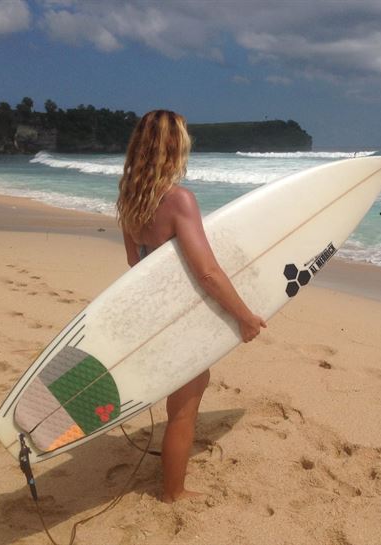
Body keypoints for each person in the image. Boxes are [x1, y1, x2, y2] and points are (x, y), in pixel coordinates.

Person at [116, 110, 266, 503]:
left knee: (193, 387)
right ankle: (173, 492)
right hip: (179, 317)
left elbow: (137, 263)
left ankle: (171, 477)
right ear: (174, 146)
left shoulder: (129, 195)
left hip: (155, 312)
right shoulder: (179, 200)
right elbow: (209, 273)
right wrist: (245, 318)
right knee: (184, 407)